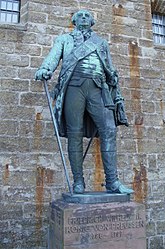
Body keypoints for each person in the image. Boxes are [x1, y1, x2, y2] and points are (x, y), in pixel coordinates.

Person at [35, 9, 134, 195]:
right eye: (79, 15)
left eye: (87, 15)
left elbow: (109, 68)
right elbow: (53, 57)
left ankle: (112, 182)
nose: (83, 17)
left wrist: (113, 78)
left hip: (98, 89)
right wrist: (45, 69)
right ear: (73, 20)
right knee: (75, 133)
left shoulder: (101, 43)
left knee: (109, 130)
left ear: (92, 22)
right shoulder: (65, 40)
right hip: (74, 87)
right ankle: (78, 182)